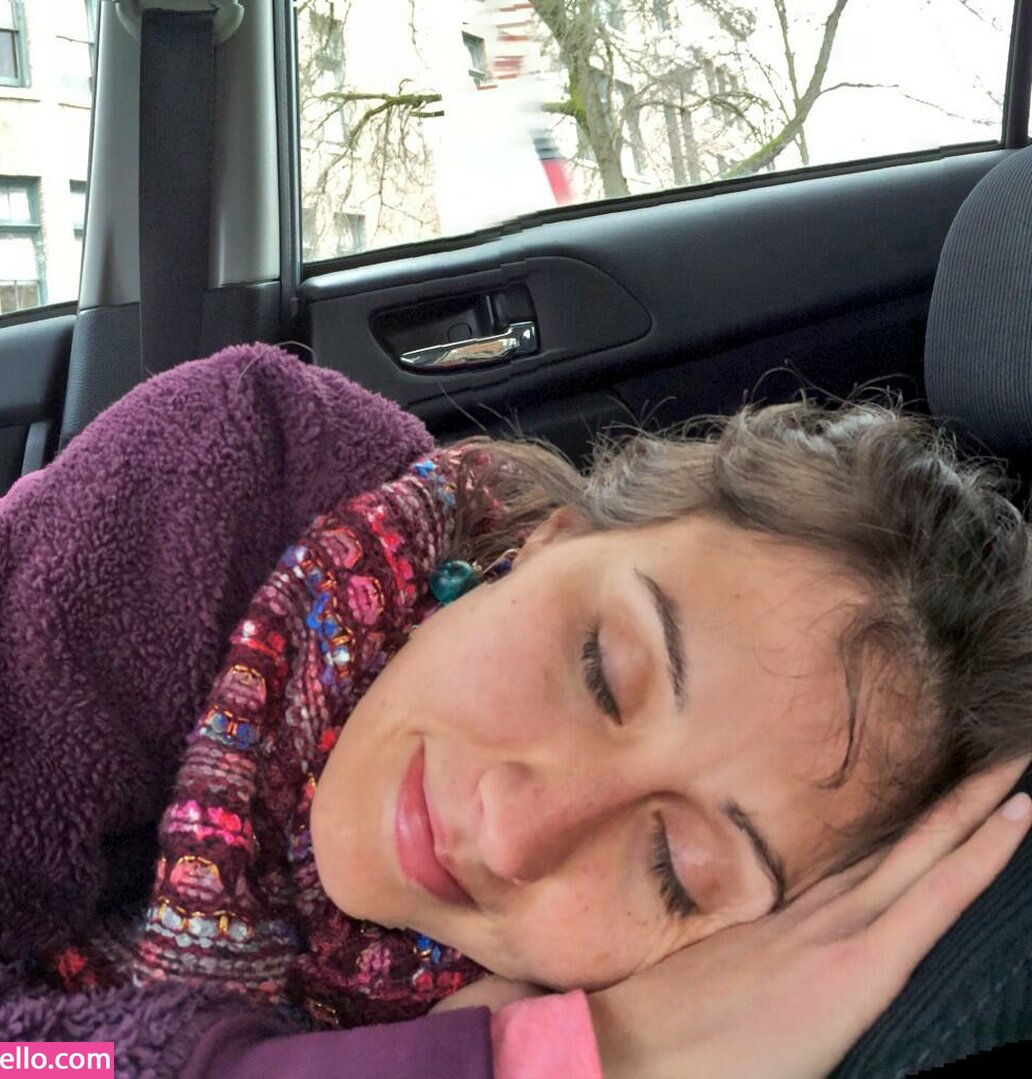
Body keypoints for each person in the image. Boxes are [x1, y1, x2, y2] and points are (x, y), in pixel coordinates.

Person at [128, 396, 1032, 1074]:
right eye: (602, 669)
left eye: (675, 872)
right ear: (552, 540)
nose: (513, 830)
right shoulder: (222, 467)